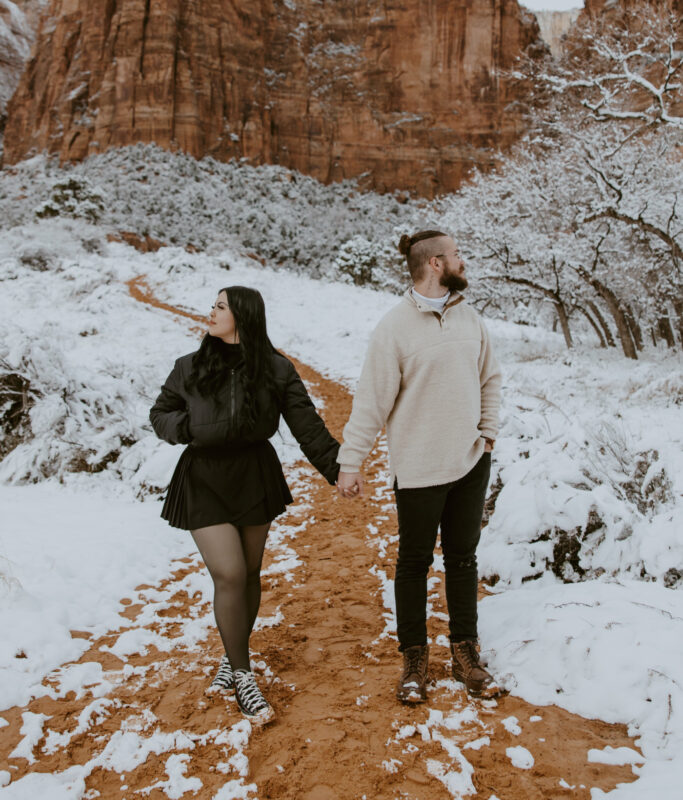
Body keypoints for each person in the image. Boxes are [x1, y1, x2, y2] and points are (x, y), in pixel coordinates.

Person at [150, 286, 340, 725]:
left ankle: (231, 653)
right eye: (213, 305)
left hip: (253, 475)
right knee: (229, 572)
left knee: (250, 574)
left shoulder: (275, 369)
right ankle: (243, 674)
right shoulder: (190, 367)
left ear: (244, 317)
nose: (211, 312)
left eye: (220, 306)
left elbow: (306, 424)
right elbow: (159, 414)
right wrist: (190, 425)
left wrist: (337, 468)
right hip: (204, 477)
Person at [336, 230, 502, 703]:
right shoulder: (394, 329)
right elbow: (371, 401)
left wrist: (487, 432)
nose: (462, 260)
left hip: (470, 461)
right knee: (413, 562)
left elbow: (490, 377)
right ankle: (414, 661)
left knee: (463, 559)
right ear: (434, 264)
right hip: (418, 466)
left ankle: (466, 655)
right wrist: (353, 460)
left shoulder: (470, 318)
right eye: (456, 255)